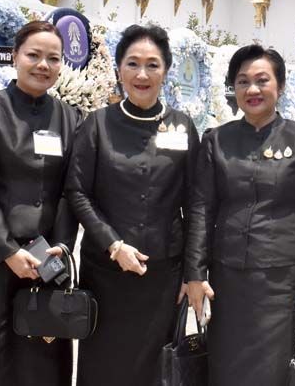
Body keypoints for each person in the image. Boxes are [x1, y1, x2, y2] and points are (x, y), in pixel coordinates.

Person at [186, 45, 295, 386]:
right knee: (226, 372)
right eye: (242, 81)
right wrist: (195, 274)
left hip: (282, 286)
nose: (252, 89)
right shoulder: (216, 141)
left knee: (279, 373)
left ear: (280, 86)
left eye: (262, 80)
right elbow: (201, 209)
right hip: (227, 284)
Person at [65, 24, 198, 386]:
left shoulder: (183, 127)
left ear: (166, 71)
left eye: (153, 65)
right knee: (104, 367)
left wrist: (193, 272)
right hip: (106, 272)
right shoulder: (97, 125)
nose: (142, 74)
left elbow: (196, 204)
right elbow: (77, 192)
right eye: (133, 63)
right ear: (119, 69)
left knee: (157, 370)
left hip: (164, 275)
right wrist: (113, 244)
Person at [0, 21, 80, 386]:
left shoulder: (70, 118)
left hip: (47, 255)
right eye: (33, 55)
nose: (43, 65)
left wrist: (62, 246)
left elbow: (71, 190)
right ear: (15, 57)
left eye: (53, 58)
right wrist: (8, 250)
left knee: (41, 352)